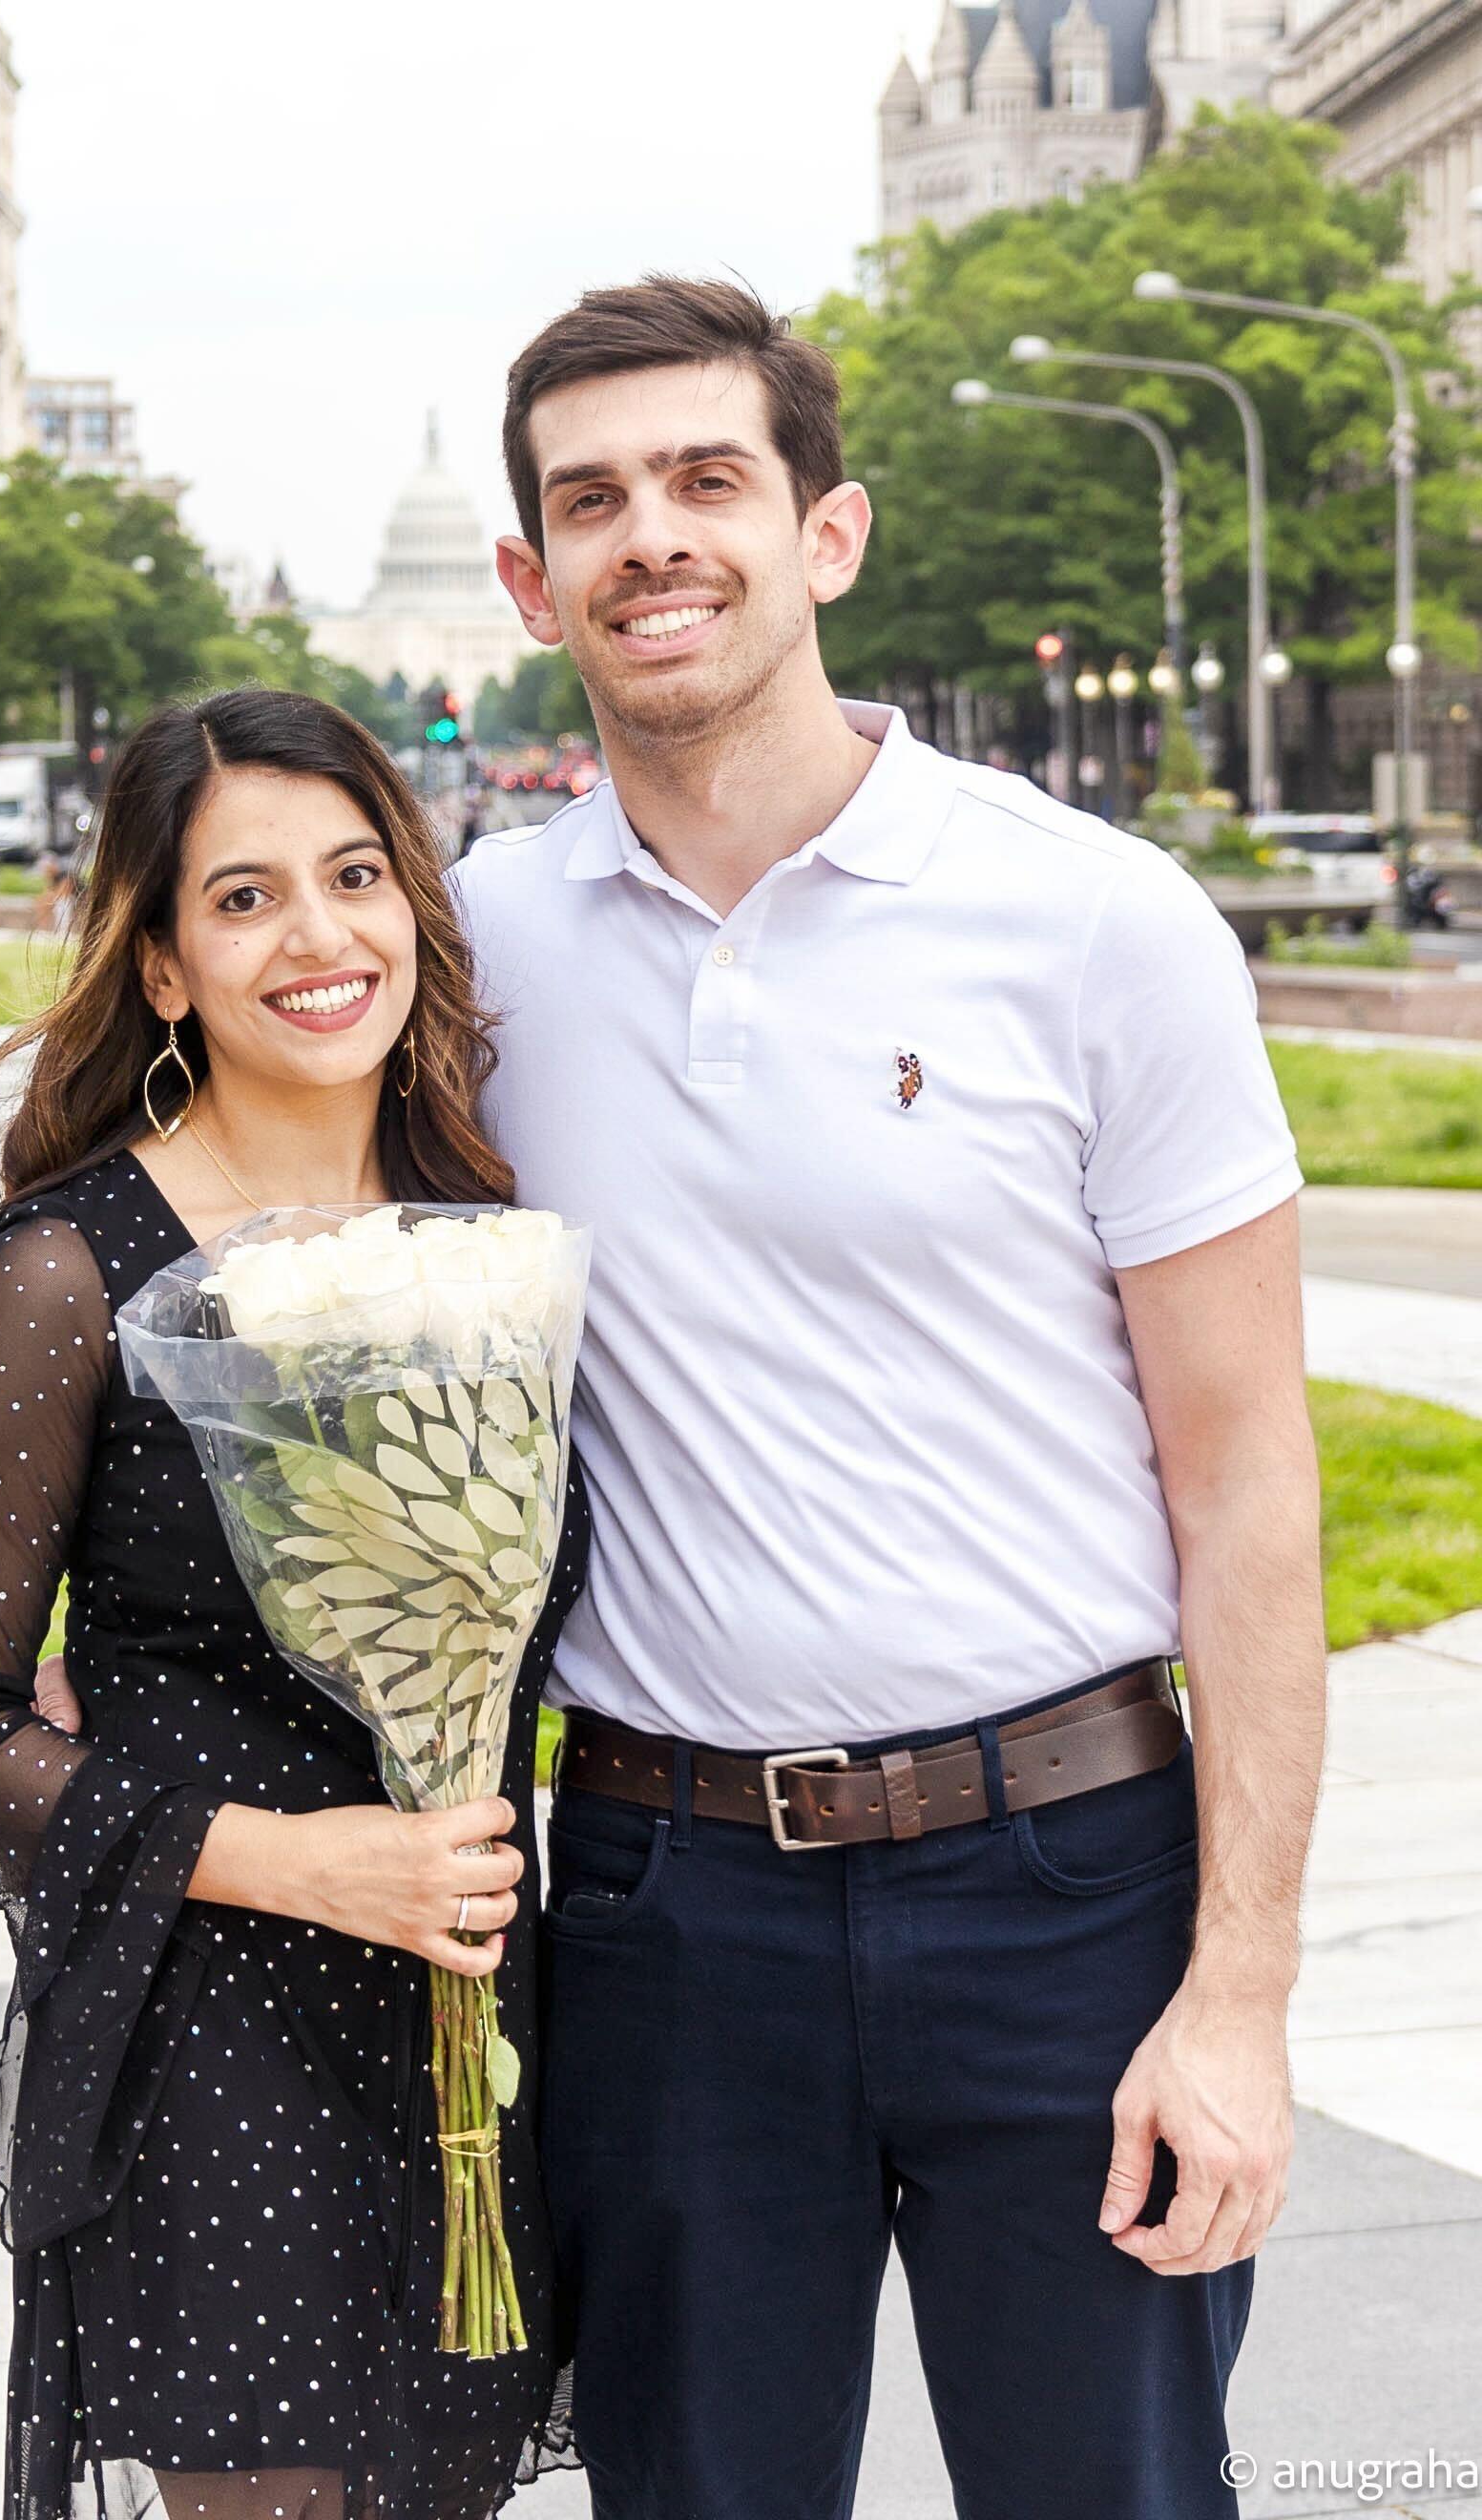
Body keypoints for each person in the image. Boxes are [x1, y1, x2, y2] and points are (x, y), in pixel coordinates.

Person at [444, 277, 1325, 2518]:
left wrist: (1236, 1997)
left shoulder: (1094, 922)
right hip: (662, 1906)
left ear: (824, 534)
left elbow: (1245, 1493)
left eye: (707, 479)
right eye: (595, 499)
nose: (657, 536)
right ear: (532, 585)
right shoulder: (476, 957)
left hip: (1071, 1886)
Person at [0, 686, 587, 2520]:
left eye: (355, 875)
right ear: (170, 967)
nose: (319, 936)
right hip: (216, 2034)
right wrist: (298, 1858)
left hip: (472, 2024)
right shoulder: (70, 1275)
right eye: (246, 897)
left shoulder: (488, 1238)